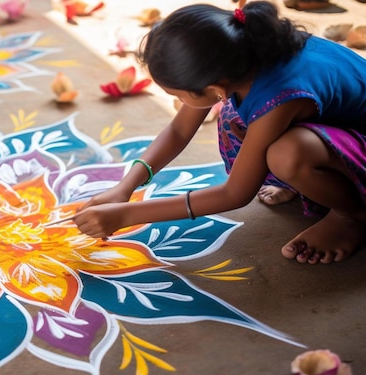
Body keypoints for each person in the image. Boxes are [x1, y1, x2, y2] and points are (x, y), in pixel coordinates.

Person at [73, 1, 366, 265]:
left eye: (179, 94)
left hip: (357, 136)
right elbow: (179, 129)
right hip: (335, 126)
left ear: (214, 88)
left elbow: (235, 194)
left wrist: (126, 215)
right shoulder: (239, 56)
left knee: (286, 153)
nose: (182, 103)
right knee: (237, 117)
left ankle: (351, 215)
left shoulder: (279, 97)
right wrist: (126, 187)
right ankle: (309, 179)